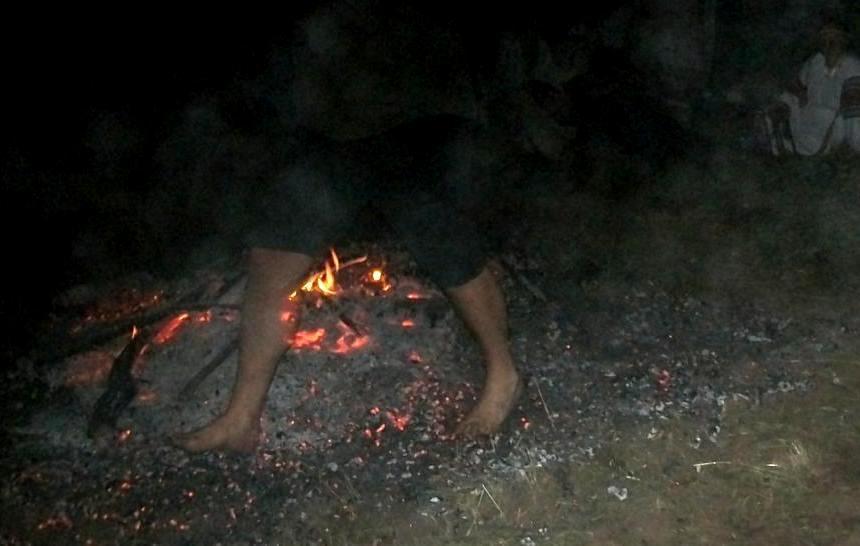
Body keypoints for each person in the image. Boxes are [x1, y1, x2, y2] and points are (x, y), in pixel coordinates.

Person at [175, 7, 522, 453]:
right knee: (274, 252)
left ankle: (504, 375)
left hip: (409, 101)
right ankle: (240, 420)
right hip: (327, 111)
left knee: (446, 245)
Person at [766, 20, 860, 155]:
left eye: (834, 38)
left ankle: (785, 146)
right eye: (825, 38)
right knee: (777, 105)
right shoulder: (815, 62)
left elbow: (854, 112)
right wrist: (787, 102)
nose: (829, 43)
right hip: (808, 117)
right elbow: (796, 89)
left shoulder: (853, 67)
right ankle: (776, 142)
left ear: (844, 41)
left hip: (833, 125)